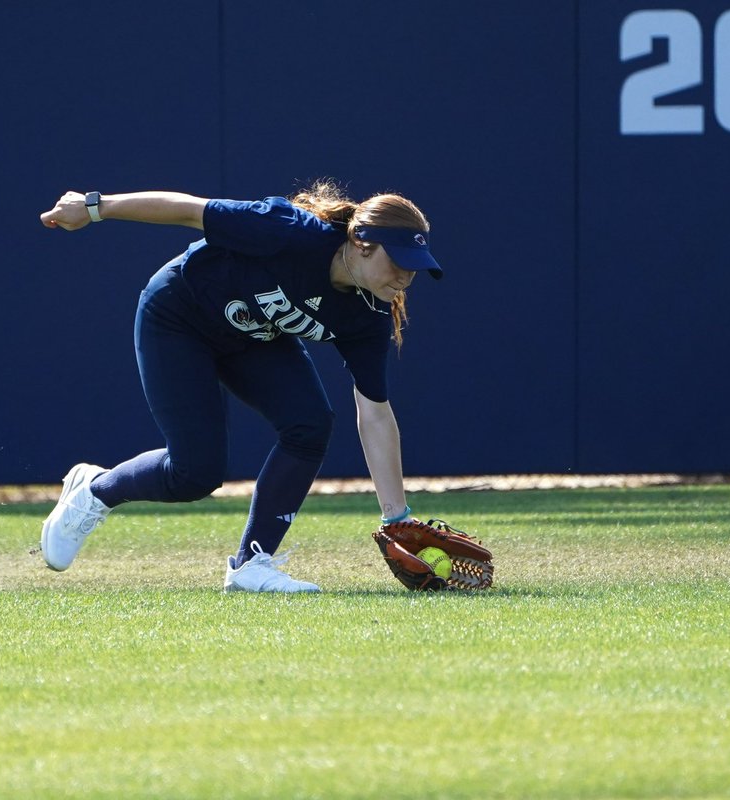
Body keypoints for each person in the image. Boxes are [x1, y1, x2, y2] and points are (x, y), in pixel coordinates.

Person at [38, 180, 442, 592]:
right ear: (361, 242)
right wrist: (94, 207)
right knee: (194, 474)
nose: (406, 276)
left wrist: (396, 517)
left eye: (415, 266)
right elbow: (189, 210)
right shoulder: (289, 230)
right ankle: (95, 490)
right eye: (399, 261)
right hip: (179, 316)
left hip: (252, 338)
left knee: (310, 424)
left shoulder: (369, 312)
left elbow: (374, 411)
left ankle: (252, 563)